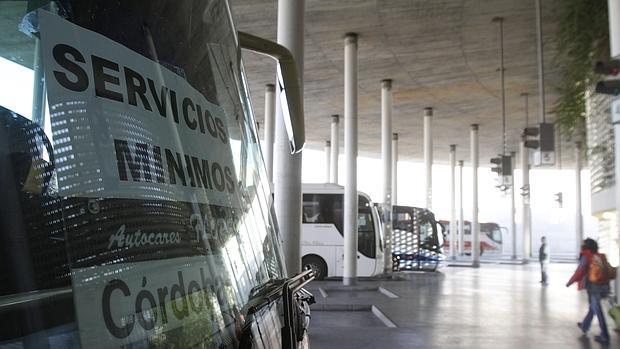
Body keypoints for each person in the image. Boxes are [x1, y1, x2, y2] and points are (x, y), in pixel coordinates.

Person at [566, 238, 610, 344]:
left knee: (597, 310)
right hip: (604, 286)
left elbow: (580, 271)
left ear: (586, 246)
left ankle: (604, 335)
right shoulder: (599, 256)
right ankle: (585, 325)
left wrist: (570, 282)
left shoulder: (586, 256)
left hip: (594, 287)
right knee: (593, 308)